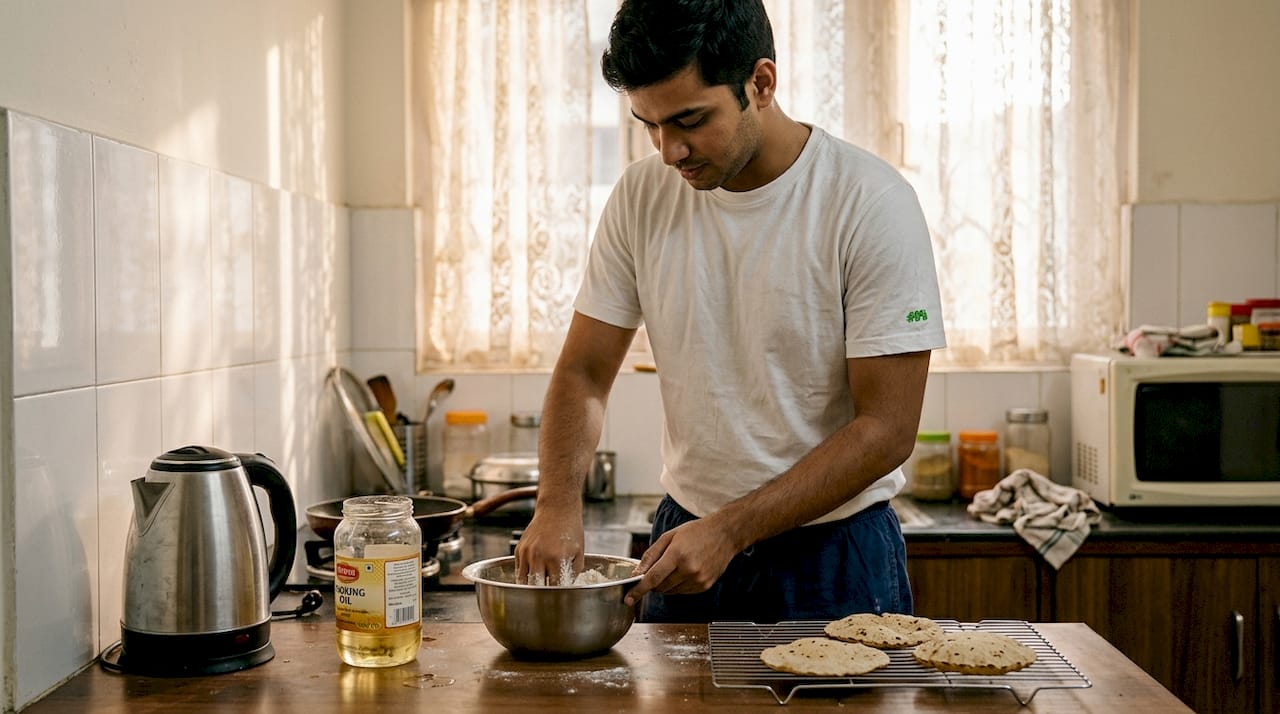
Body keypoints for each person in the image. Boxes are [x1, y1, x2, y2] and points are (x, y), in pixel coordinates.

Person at [514, 0, 946, 623]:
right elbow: (583, 373)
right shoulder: (642, 196)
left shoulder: (869, 202)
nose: (669, 151)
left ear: (761, 84)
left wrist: (731, 529)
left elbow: (887, 429)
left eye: (689, 119)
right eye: (649, 125)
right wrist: (556, 502)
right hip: (684, 541)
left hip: (835, 556)